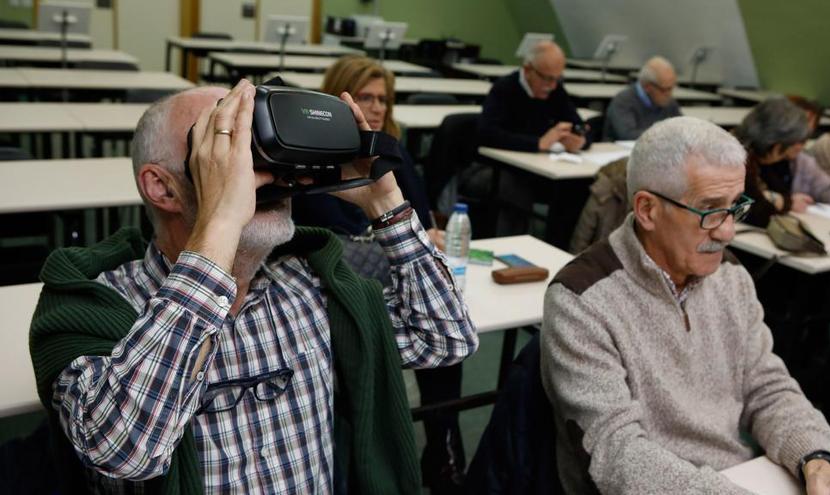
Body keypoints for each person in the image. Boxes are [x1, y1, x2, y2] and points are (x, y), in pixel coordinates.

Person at [29, 80, 478, 493]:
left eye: (253, 139)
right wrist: (221, 222)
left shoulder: (310, 288)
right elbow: (122, 451)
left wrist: (382, 199)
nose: (249, 166)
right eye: (223, 144)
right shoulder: (95, 307)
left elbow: (445, 338)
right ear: (161, 188)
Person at [541, 116, 830, 494]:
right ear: (648, 210)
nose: (728, 230)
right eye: (710, 209)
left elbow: (768, 387)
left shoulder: (730, 276)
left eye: (735, 206)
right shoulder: (582, 299)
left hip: (735, 479)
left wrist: (816, 460)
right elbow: (617, 455)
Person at [291, 55, 468, 494]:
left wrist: (409, 227)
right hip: (335, 284)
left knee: (446, 348)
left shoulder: (392, 151)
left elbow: (425, 219)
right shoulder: (309, 159)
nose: (375, 109)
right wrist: (392, 225)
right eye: (365, 97)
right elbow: (319, 231)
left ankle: (442, 446)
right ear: (337, 100)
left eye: (383, 100)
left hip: (389, 276)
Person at [733, 97, 830, 228]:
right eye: (797, 141)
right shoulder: (737, 160)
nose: (800, 146)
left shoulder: (796, 160)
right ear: (777, 143)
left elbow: (827, 187)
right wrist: (784, 201)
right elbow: (756, 209)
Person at [478, 40, 587, 153]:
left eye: (558, 78)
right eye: (548, 78)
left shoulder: (556, 89)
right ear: (528, 70)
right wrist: (538, 143)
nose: (553, 86)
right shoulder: (505, 88)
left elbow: (580, 126)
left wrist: (580, 140)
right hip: (511, 159)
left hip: (544, 160)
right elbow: (487, 134)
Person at [603, 56, 682, 141]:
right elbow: (627, 135)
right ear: (647, 86)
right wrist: (666, 135)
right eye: (664, 90)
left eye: (672, 88)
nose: (669, 94)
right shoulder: (623, 101)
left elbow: (682, 128)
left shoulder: (669, 102)